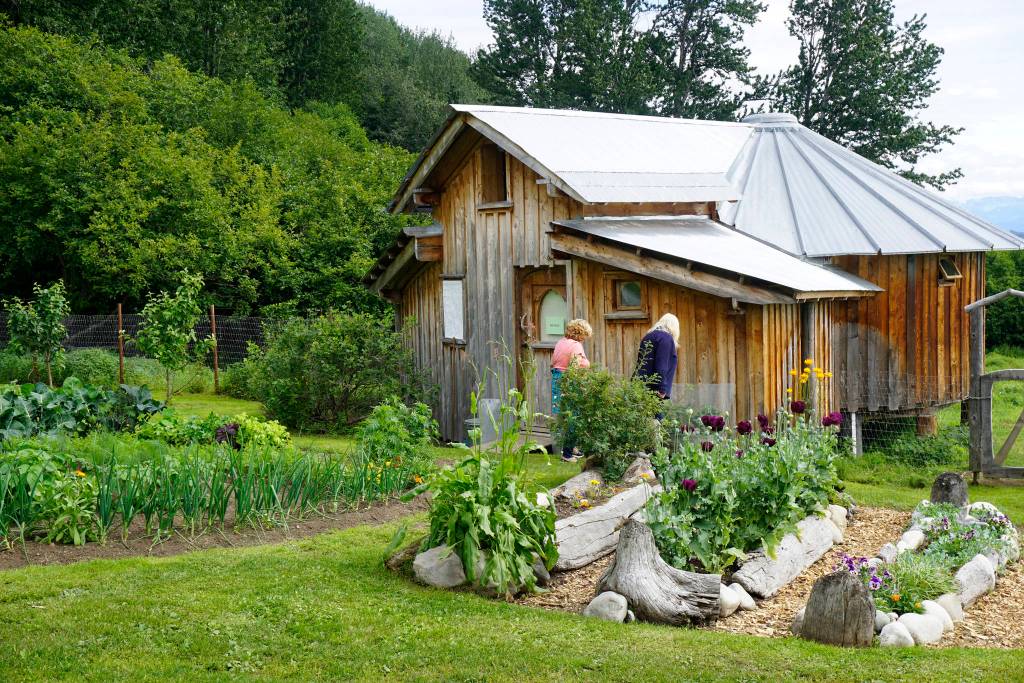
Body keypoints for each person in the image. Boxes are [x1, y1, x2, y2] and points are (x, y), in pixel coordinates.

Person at [551, 318, 592, 462]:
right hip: (570, 382)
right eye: (585, 335)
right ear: (581, 334)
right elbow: (574, 368)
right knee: (573, 417)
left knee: (566, 416)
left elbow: (553, 364)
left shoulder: (560, 342)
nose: (585, 339)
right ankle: (567, 454)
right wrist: (575, 385)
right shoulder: (576, 346)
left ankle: (573, 448)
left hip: (558, 380)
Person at [635, 313, 679, 403]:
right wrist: (662, 388)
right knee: (656, 416)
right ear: (674, 327)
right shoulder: (666, 338)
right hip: (654, 390)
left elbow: (642, 363)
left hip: (640, 385)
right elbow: (662, 365)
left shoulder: (648, 336)